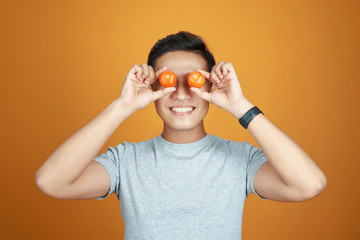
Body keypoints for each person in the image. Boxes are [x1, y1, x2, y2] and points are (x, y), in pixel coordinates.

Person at [35, 31, 327, 239]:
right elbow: (52, 182)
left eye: (195, 81)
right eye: (168, 80)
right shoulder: (126, 160)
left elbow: (309, 184)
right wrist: (121, 107)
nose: (181, 93)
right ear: (152, 86)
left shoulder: (240, 159)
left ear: (211, 87)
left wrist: (240, 107)